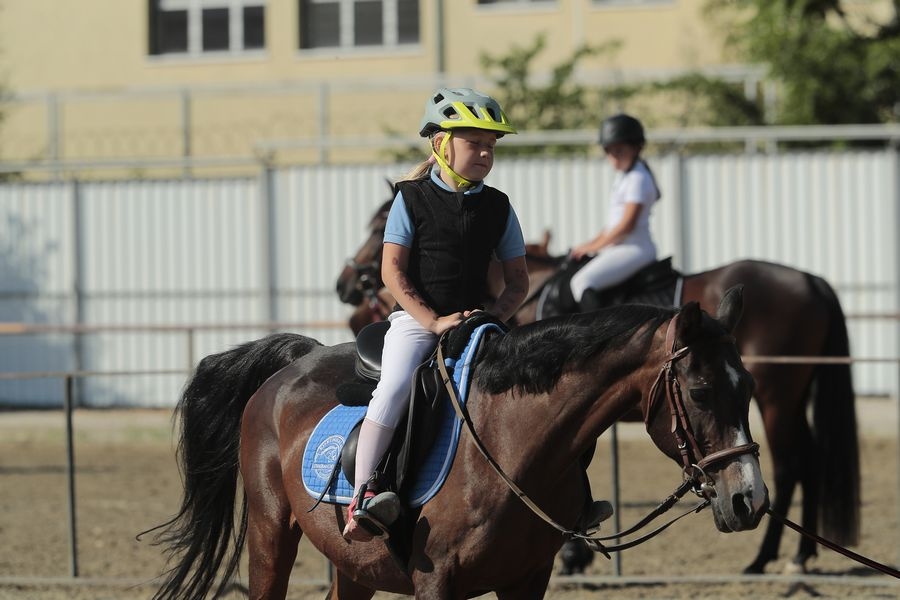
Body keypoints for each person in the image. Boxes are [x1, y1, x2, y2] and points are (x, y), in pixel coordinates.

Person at [343, 87, 531, 542]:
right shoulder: (410, 199)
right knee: (393, 388)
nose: (485, 153)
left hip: (478, 325)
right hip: (416, 323)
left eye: (491, 146)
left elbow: (518, 282)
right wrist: (432, 322)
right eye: (475, 143)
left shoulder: (499, 206)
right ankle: (363, 496)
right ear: (441, 144)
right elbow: (391, 272)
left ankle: (569, 496)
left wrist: (494, 316)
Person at [568, 113, 661, 311]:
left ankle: (602, 329)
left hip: (634, 248)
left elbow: (627, 226)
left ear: (636, 148)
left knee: (581, 281)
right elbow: (611, 226)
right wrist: (588, 245)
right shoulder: (625, 176)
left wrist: (594, 247)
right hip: (621, 246)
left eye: (619, 150)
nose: (613, 156)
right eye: (608, 151)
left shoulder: (638, 177)